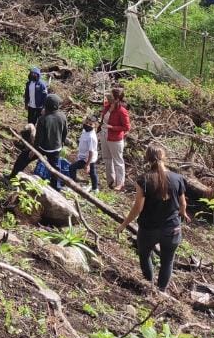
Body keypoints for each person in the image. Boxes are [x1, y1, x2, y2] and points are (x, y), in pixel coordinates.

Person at [115, 143, 189, 292]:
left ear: (147, 159)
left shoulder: (143, 180)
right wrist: (183, 213)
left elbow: (138, 208)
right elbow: (183, 203)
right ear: (164, 157)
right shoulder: (178, 178)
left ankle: (149, 286)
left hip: (148, 228)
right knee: (167, 262)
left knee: (144, 256)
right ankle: (161, 291)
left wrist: (124, 224)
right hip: (172, 228)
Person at [34, 94, 69, 188]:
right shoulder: (62, 116)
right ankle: (56, 188)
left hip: (43, 148)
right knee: (55, 170)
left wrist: (33, 150)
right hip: (56, 148)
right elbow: (65, 132)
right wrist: (62, 142)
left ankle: (13, 174)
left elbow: (38, 138)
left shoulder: (43, 119)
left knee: (24, 158)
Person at [100, 86, 131, 191]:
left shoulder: (122, 111)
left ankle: (120, 183)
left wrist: (112, 127)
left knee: (118, 161)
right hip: (104, 135)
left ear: (117, 99)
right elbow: (103, 118)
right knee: (107, 159)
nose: (109, 96)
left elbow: (127, 127)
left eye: (111, 95)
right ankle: (110, 181)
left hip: (115, 139)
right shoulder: (107, 106)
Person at [68, 116, 99, 190]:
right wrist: (77, 153)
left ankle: (72, 184)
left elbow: (91, 151)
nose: (88, 125)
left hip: (87, 158)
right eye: (87, 123)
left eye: (90, 124)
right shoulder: (85, 131)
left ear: (95, 125)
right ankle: (95, 188)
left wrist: (87, 164)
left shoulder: (91, 137)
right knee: (92, 173)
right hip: (83, 156)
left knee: (72, 167)